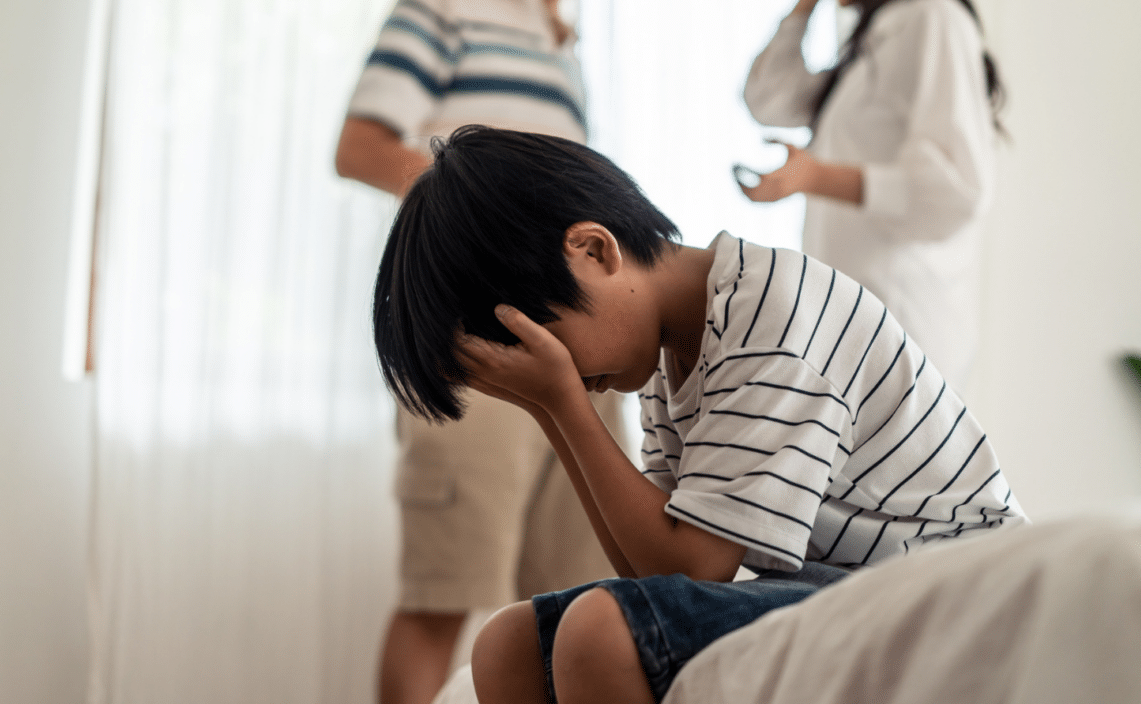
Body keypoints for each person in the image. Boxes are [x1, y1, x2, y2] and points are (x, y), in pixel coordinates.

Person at [372, 125, 1028, 704]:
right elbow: (647, 567)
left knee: (599, 630)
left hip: (945, 587)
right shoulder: (674, 354)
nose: (561, 375)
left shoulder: (774, 318)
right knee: (506, 643)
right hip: (847, 583)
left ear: (596, 251)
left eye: (551, 349)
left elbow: (693, 567)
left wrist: (562, 404)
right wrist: (551, 408)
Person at [334, 0, 630, 703]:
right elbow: (359, 144)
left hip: (576, 352)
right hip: (471, 339)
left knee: (574, 608)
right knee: (444, 592)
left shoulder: (565, 49)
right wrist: (485, 223)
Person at [740, 0, 1004, 391]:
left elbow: (957, 190)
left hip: (903, 335)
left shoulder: (934, 18)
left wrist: (817, 179)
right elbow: (767, 98)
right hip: (855, 337)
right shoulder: (873, 39)